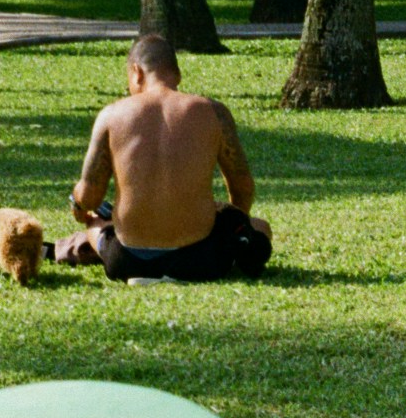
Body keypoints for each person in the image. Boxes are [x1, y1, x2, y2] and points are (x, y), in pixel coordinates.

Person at [49, 35, 272, 283]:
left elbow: (90, 195)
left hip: (127, 261)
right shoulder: (213, 112)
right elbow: (243, 187)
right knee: (260, 227)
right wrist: (235, 221)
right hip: (201, 261)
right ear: (177, 74)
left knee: (96, 223)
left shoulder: (111, 115)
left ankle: (85, 240)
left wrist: (79, 205)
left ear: (136, 72)